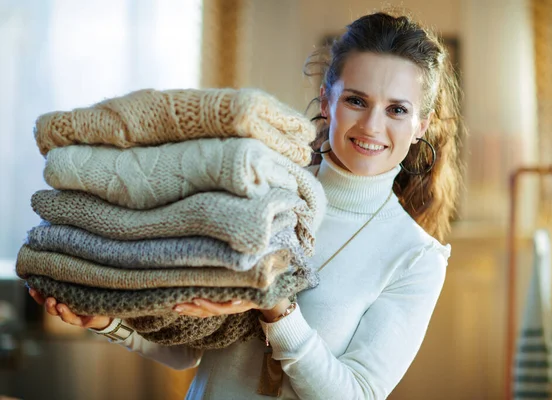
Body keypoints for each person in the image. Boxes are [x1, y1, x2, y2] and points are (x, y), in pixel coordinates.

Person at [28, 11, 463, 399]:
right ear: (328, 101)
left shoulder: (416, 258)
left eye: (397, 110)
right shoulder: (255, 192)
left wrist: (275, 306)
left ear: (420, 124)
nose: (372, 125)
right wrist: (106, 321)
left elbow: (357, 393)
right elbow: (190, 351)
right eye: (356, 100)